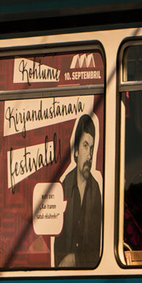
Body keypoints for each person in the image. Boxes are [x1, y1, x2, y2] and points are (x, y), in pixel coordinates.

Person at [51, 114, 106, 269]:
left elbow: (96, 246)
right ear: (76, 151)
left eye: (92, 148)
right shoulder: (64, 187)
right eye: (85, 146)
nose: (89, 155)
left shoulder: (96, 191)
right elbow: (57, 240)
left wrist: (76, 259)